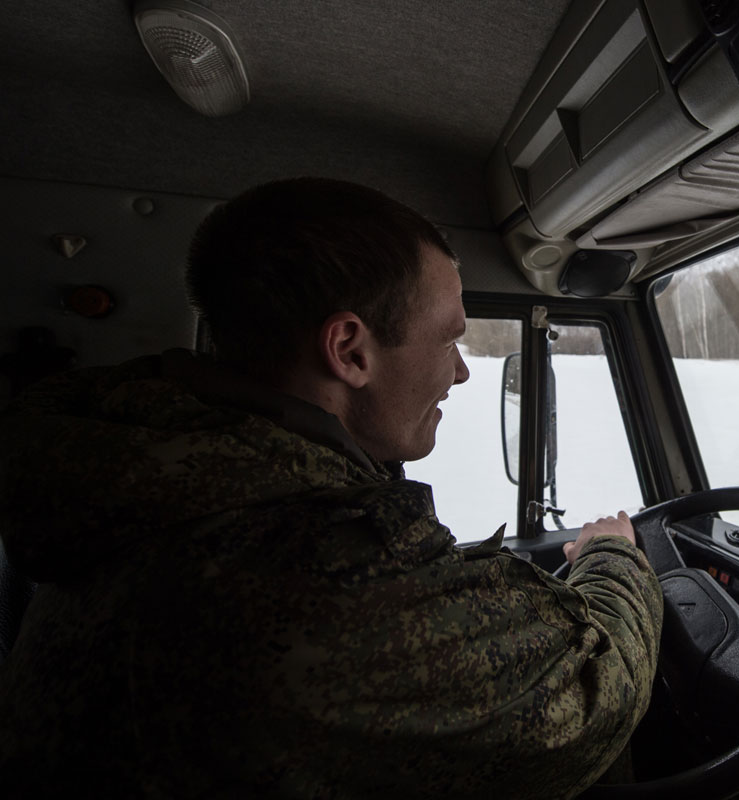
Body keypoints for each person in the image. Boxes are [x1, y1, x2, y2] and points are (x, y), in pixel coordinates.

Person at [0, 178, 664, 798]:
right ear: (349, 350)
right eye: (448, 341)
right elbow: (592, 699)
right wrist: (614, 557)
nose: (460, 373)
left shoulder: (152, 473)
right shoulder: (323, 575)